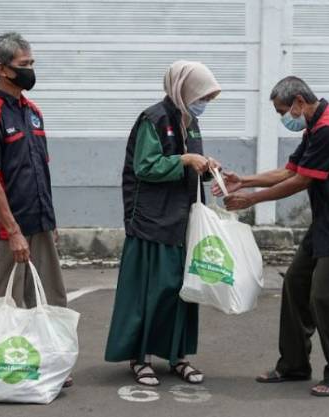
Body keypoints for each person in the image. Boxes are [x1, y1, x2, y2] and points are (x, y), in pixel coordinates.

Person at [215, 76, 329, 397]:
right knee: (295, 283)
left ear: (299, 103)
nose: (283, 118)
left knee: (323, 296)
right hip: (328, 221)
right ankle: (293, 364)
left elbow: (301, 181)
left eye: (283, 111)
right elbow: (289, 171)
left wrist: (251, 199)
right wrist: (243, 180)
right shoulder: (317, 127)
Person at [105, 61, 222, 386]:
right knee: (149, 291)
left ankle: (178, 356)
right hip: (152, 220)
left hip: (184, 218)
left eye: (209, 98)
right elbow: (145, 166)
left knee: (181, 290)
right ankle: (139, 358)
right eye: (202, 95)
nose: (204, 103)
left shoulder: (191, 122)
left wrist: (206, 165)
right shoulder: (154, 119)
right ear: (184, 90)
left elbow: (188, 162)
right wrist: (185, 159)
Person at [0, 32, 71, 386]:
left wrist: (49, 222)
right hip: (5, 231)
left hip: (39, 223)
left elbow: (40, 169)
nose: (31, 70)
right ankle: (1, 373)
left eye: (31, 64)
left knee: (49, 298)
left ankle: (49, 361)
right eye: (24, 65)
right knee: (6, 303)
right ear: (2, 70)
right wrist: (13, 232)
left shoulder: (32, 112)